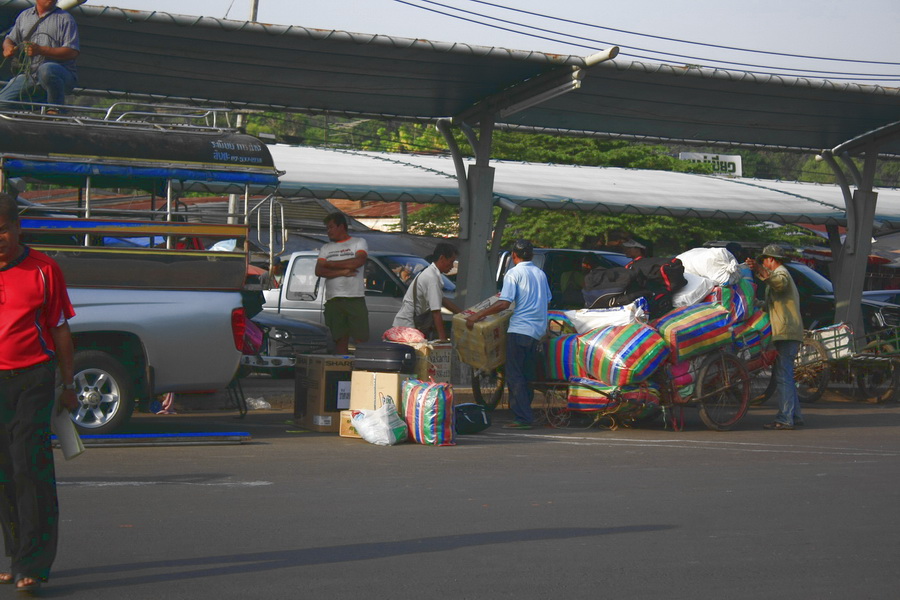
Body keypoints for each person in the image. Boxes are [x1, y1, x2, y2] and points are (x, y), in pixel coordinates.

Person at [0, 193, 78, 592]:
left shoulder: (44, 269)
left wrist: (68, 384)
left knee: (28, 466)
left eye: (2, 229)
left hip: (32, 378)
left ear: (16, 227)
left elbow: (60, 328)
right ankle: (15, 554)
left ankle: (34, 562)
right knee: (4, 473)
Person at [466, 239, 550, 429]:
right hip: (537, 332)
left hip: (519, 330)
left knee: (515, 375)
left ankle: (523, 418)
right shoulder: (540, 274)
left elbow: (504, 303)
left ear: (513, 256)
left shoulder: (514, 273)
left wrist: (478, 315)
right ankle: (526, 413)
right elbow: (547, 301)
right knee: (527, 375)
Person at [746, 244, 805, 430]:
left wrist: (758, 269)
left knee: (783, 375)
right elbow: (773, 303)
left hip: (786, 331)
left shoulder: (782, 274)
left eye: (764, 260)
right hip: (787, 331)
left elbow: (778, 282)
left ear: (771, 259)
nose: (763, 262)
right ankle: (795, 416)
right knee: (785, 374)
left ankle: (785, 418)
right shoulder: (779, 275)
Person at [0, 0, 80, 111]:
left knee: (46, 69)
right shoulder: (24, 16)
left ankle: (55, 109)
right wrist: (7, 47)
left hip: (61, 74)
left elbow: (72, 52)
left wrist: (41, 50)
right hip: (31, 75)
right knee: (2, 102)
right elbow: (10, 39)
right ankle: (37, 108)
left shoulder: (65, 19)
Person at [315, 212, 369, 354]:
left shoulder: (359, 242)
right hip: (333, 299)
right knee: (339, 338)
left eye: (331, 227)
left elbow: (359, 261)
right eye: (327, 228)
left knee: (361, 338)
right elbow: (319, 270)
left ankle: (361, 370)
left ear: (341, 226)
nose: (329, 231)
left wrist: (331, 264)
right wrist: (343, 271)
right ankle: (341, 369)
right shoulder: (326, 248)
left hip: (354, 297)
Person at [392, 242, 461, 340]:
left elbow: (443, 300)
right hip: (408, 326)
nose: (452, 266)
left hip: (408, 325)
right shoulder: (432, 278)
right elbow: (436, 312)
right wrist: (443, 340)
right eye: (451, 261)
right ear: (442, 258)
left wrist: (464, 315)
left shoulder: (431, 273)